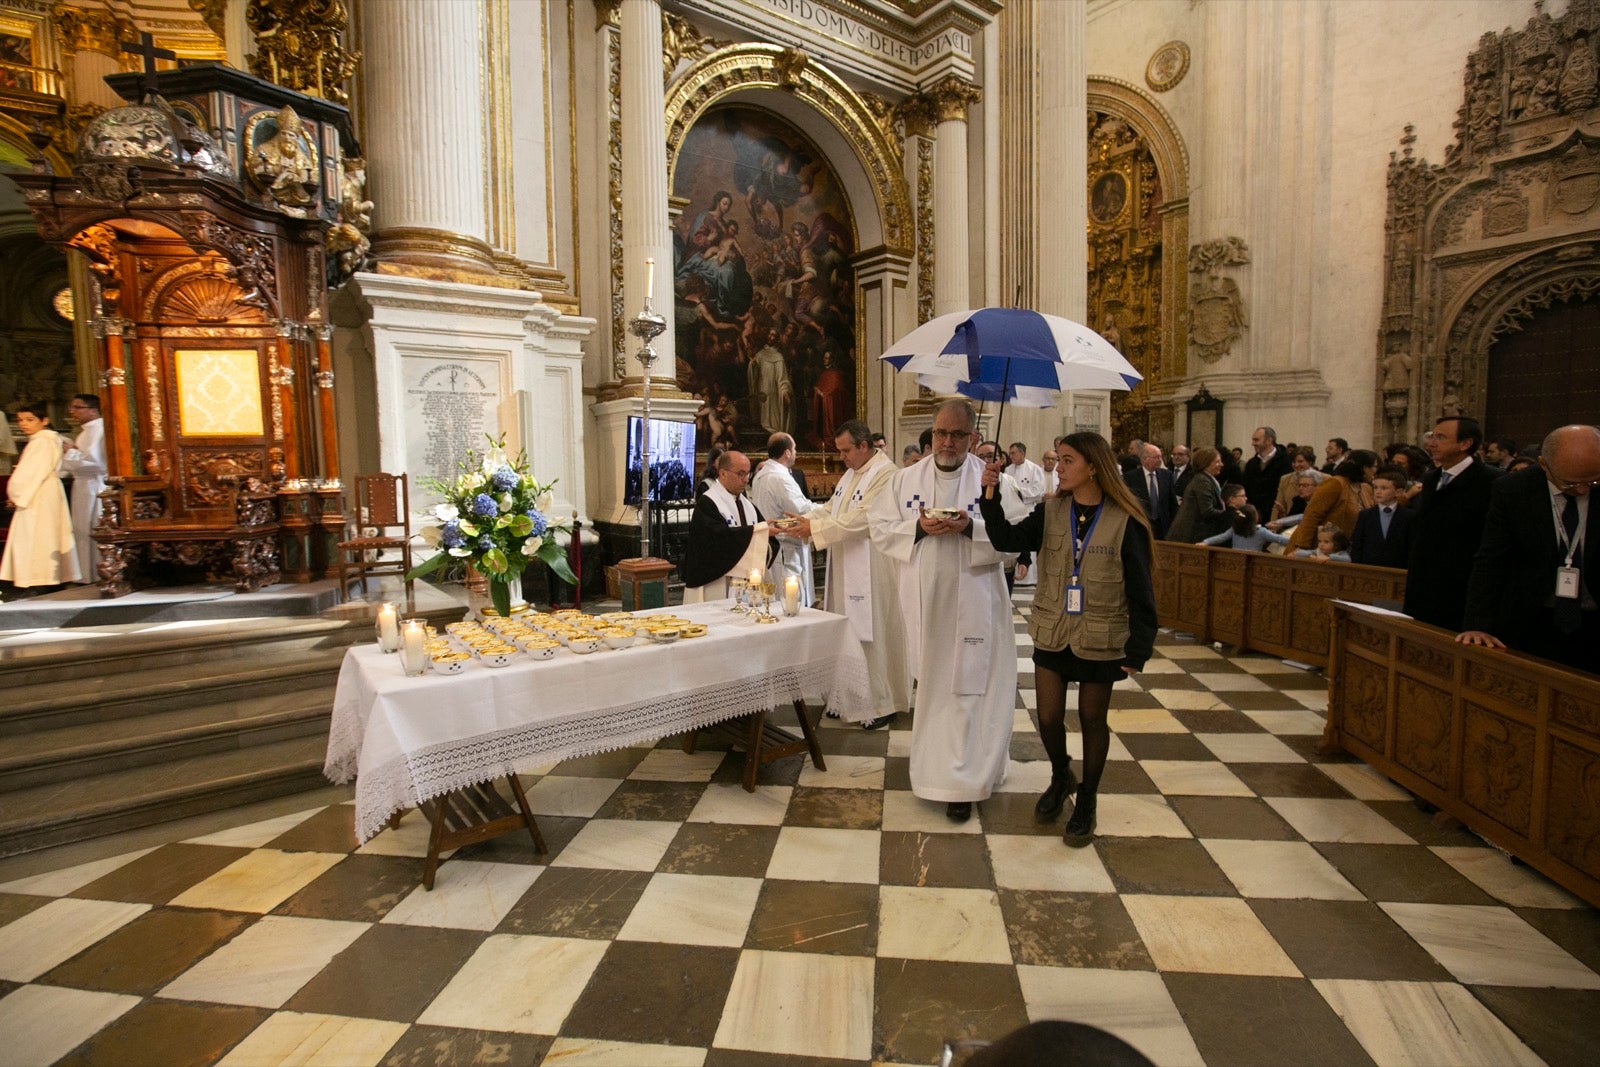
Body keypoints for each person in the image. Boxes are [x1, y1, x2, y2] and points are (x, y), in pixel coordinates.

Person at [979, 431, 1156, 847]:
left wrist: (1139, 648)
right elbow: (1006, 540)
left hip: (1101, 634)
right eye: (1058, 459)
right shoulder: (1051, 510)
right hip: (1053, 631)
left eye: (1068, 460)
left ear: (1093, 466)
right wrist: (989, 493)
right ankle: (1062, 775)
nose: (1059, 467)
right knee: (1047, 718)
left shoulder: (1123, 519)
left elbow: (1141, 589)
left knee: (1093, 720)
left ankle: (1088, 800)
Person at [868, 399, 1014, 823]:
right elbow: (879, 528)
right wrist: (918, 527)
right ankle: (934, 770)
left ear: (974, 437)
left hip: (978, 598)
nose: (947, 442)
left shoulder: (990, 482)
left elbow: (1016, 538)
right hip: (927, 600)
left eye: (957, 434)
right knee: (934, 685)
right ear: (931, 434)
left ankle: (967, 780)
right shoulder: (904, 480)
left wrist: (971, 526)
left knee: (971, 685)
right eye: (940, 433)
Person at [787, 420, 909, 728]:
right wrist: (804, 519)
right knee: (847, 629)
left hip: (873, 568)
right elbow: (832, 508)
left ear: (864, 446)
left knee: (872, 632)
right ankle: (848, 697)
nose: (841, 456)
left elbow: (865, 518)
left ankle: (880, 704)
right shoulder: (852, 473)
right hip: (846, 564)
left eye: (845, 450)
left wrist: (813, 528)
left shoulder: (886, 474)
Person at [1458, 424, 1600, 675]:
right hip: (1532, 618)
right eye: (1571, 483)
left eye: (1592, 481)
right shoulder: (1513, 490)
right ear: (1544, 465)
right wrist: (1477, 624)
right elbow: (1491, 560)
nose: (1583, 490)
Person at [1404, 416, 1500, 631]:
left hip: (1461, 592)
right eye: (1432, 436)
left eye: (1441, 437)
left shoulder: (1492, 482)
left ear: (1465, 444)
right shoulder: (1430, 479)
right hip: (1424, 589)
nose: (1431, 443)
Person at [1, 403, 81, 594]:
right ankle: (47, 578)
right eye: (20, 420)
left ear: (44, 420)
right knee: (46, 535)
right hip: (43, 491)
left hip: (38, 493)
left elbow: (31, 473)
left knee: (37, 535)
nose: (24, 424)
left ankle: (39, 579)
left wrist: (16, 494)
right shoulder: (45, 439)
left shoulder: (42, 441)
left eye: (30, 420)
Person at [681, 450, 776, 602]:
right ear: (723, 473)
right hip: (716, 583)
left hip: (746, 583)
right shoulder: (708, 503)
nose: (746, 480)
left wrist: (766, 534)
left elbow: (765, 538)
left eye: (748, 474)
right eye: (741, 474)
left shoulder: (748, 505)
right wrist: (758, 532)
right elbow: (718, 541)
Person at [750, 432, 820, 607]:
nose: (795, 453)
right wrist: (829, 508)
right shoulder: (779, 477)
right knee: (791, 599)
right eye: (794, 449)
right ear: (787, 452)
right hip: (784, 546)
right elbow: (800, 509)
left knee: (780, 595)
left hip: (774, 543)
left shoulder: (763, 473)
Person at [1287, 450, 1377, 553]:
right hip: (1316, 548)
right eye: (1374, 466)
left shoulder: (1365, 488)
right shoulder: (1336, 483)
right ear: (1364, 468)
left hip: (1343, 550)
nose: (1376, 470)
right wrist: (1302, 546)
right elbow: (1312, 515)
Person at [59, 393, 106, 583]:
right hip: (83, 486)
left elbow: (96, 462)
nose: (72, 412)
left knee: (93, 527)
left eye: (77, 407)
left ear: (93, 411)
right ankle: (87, 574)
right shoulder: (86, 431)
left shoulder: (99, 430)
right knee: (82, 529)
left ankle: (99, 572)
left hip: (94, 485)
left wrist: (70, 453)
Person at [976, 440, 1033, 592]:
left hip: (1004, 559)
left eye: (990, 456)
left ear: (1001, 459)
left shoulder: (1009, 483)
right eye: (980, 457)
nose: (986, 461)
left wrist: (1024, 559)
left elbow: (1019, 521)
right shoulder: (967, 482)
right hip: (975, 559)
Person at [1349, 468, 1415, 568]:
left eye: (1384, 488)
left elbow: (1413, 547)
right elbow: (1357, 544)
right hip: (1369, 568)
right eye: (1375, 488)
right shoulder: (1365, 515)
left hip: (1398, 570)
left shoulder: (1410, 516)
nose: (1378, 492)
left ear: (1398, 492)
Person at [1166, 447, 1226, 542]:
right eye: (1217, 462)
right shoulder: (1202, 481)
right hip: (1189, 536)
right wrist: (1229, 514)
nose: (1221, 465)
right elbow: (1207, 511)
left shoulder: (1207, 479)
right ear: (1206, 463)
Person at [1124, 442, 1176, 539]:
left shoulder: (1167, 475)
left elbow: (1172, 503)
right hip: (1141, 525)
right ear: (1144, 459)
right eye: (1156, 457)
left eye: (1160, 457)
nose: (1160, 460)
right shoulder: (1130, 477)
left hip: (1162, 527)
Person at [1242, 426, 1293, 518]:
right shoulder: (1251, 464)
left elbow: (1285, 490)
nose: (1253, 443)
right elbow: (1247, 487)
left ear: (1269, 440)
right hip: (1255, 515)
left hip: (1276, 513)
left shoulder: (1286, 462)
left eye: (1256, 440)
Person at [1203, 504, 1291, 552]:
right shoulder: (1261, 532)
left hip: (1236, 561)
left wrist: (1206, 542)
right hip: (1253, 563)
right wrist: (1296, 543)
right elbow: (1281, 539)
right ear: (1256, 517)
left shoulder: (1235, 529)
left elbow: (1221, 537)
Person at [1270, 447, 1322, 521]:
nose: (1296, 465)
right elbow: (1277, 506)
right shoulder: (1285, 479)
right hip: (1289, 522)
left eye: (1300, 461)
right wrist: (1274, 524)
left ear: (1310, 462)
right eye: (1294, 462)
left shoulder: (1326, 478)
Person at [1005, 442, 1048, 506]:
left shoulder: (1035, 469)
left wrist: (1018, 492)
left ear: (1022, 453)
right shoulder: (1008, 469)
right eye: (1010, 454)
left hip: (1029, 507)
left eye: (1013, 453)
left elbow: (1038, 491)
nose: (1010, 456)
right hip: (1012, 507)